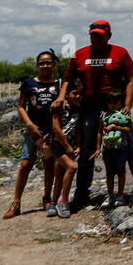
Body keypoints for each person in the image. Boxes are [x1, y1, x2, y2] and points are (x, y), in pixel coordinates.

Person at [53, 19, 133, 209]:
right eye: (93, 35)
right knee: (87, 151)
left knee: (131, 147)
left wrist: (128, 104)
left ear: (108, 35)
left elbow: (131, 79)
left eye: (100, 35)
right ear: (89, 35)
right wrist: (61, 96)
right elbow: (67, 78)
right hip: (89, 109)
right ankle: (82, 193)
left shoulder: (120, 53)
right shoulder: (80, 55)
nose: (96, 38)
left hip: (115, 109)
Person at [5, 50, 61, 218]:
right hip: (33, 130)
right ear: (37, 65)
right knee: (25, 165)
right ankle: (16, 203)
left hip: (51, 130)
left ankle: (47, 198)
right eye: (42, 63)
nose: (45, 66)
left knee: (49, 163)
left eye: (48, 62)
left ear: (53, 65)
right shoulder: (28, 84)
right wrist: (30, 125)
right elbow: (21, 106)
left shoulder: (60, 84)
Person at [46, 82, 84, 219]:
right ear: (67, 94)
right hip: (57, 144)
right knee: (72, 167)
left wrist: (78, 146)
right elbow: (56, 128)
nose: (78, 96)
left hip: (71, 145)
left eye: (80, 94)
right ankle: (64, 202)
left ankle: (53, 202)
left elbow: (78, 130)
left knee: (60, 172)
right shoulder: (59, 107)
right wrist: (67, 147)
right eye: (75, 93)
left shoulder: (78, 109)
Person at [97, 89, 132, 209]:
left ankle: (120, 195)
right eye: (110, 102)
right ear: (107, 103)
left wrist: (115, 126)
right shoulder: (103, 115)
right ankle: (111, 195)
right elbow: (99, 132)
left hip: (121, 147)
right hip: (107, 148)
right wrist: (98, 148)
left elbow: (128, 130)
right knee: (109, 174)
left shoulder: (124, 115)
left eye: (116, 102)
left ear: (120, 103)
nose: (113, 105)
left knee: (121, 172)